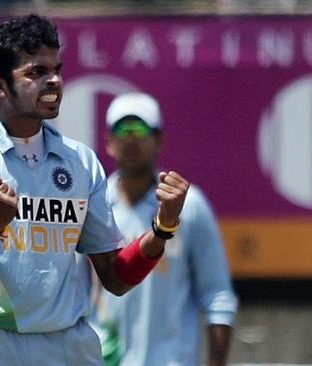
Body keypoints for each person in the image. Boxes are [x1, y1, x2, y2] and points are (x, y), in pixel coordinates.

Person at [0, 14, 189, 366]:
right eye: (36, 72)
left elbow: (115, 278)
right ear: (0, 85)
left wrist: (163, 227)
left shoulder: (80, 161)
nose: (55, 81)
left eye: (57, 69)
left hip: (67, 346)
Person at [85, 92, 238, 366]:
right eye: (122, 129)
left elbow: (218, 296)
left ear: (159, 140)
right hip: (104, 359)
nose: (131, 138)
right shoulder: (93, 205)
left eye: (141, 129)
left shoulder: (188, 205)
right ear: (108, 142)